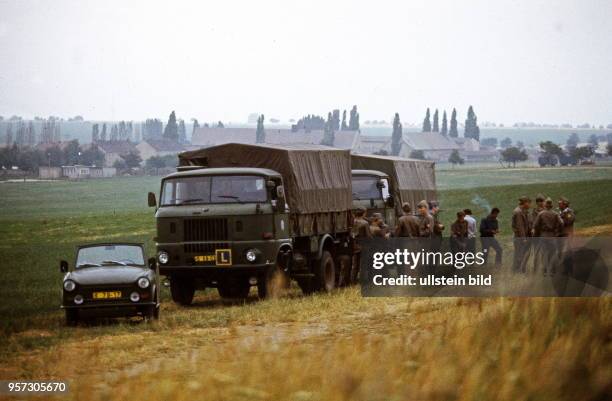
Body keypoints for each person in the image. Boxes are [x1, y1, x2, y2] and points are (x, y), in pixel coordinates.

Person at [532, 198, 564, 275]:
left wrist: (537, 234)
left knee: (544, 253)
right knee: (552, 253)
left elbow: (536, 225)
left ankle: (545, 270)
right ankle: (552, 271)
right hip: (552, 236)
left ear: (545, 205)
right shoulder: (555, 214)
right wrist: (557, 231)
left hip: (543, 236)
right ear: (552, 206)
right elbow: (562, 223)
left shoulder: (541, 214)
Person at [350, 207, 371, 284]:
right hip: (363, 246)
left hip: (354, 246)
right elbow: (368, 236)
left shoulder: (352, 222)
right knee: (363, 265)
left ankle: (353, 281)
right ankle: (363, 281)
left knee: (354, 265)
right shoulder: (365, 223)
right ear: (363, 213)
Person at [512, 196, 531, 273]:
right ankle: (516, 271)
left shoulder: (522, 211)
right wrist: (524, 238)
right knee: (519, 255)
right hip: (519, 238)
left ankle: (518, 270)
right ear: (525, 203)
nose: (530, 205)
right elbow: (520, 227)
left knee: (520, 255)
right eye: (529, 203)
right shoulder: (518, 212)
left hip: (520, 237)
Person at [530, 194, 546, 274]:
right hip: (538, 235)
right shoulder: (535, 211)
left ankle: (543, 270)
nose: (541, 203)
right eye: (540, 201)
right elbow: (533, 222)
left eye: (542, 201)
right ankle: (535, 270)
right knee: (537, 253)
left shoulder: (546, 210)